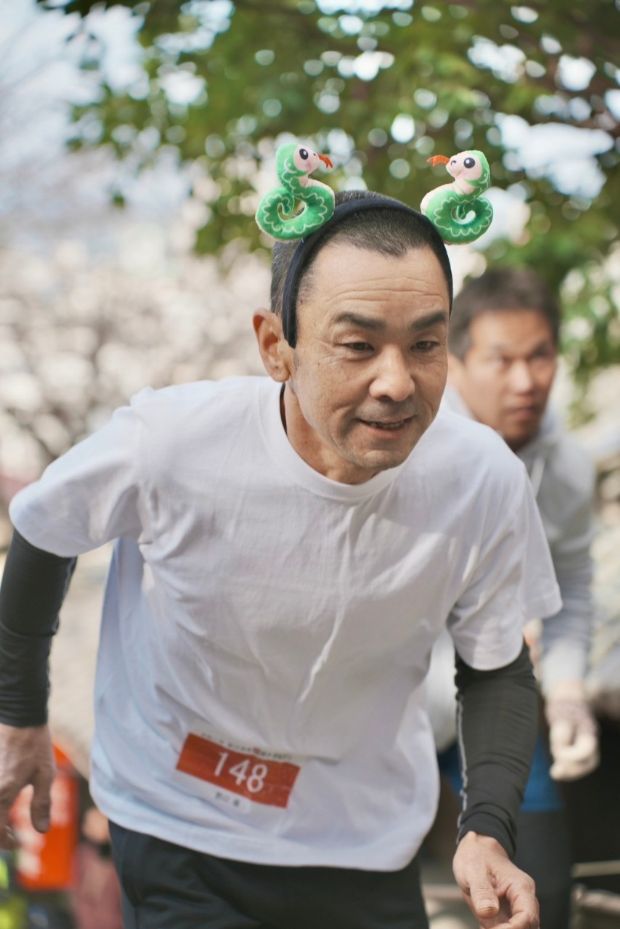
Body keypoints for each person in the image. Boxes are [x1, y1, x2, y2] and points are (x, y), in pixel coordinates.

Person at [0, 191, 563, 929]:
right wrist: (20, 716)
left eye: (426, 345)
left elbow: (495, 665)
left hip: (364, 835)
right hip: (181, 819)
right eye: (357, 345)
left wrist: (487, 825)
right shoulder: (172, 442)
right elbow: (45, 527)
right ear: (276, 346)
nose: (397, 382)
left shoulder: (481, 479)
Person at [426, 267, 598, 929]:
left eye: (540, 356)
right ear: (458, 362)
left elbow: (570, 590)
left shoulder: (569, 466)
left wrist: (566, 690)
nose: (525, 381)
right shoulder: (413, 447)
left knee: (542, 889)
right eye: (501, 360)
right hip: (393, 706)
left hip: (500, 702)